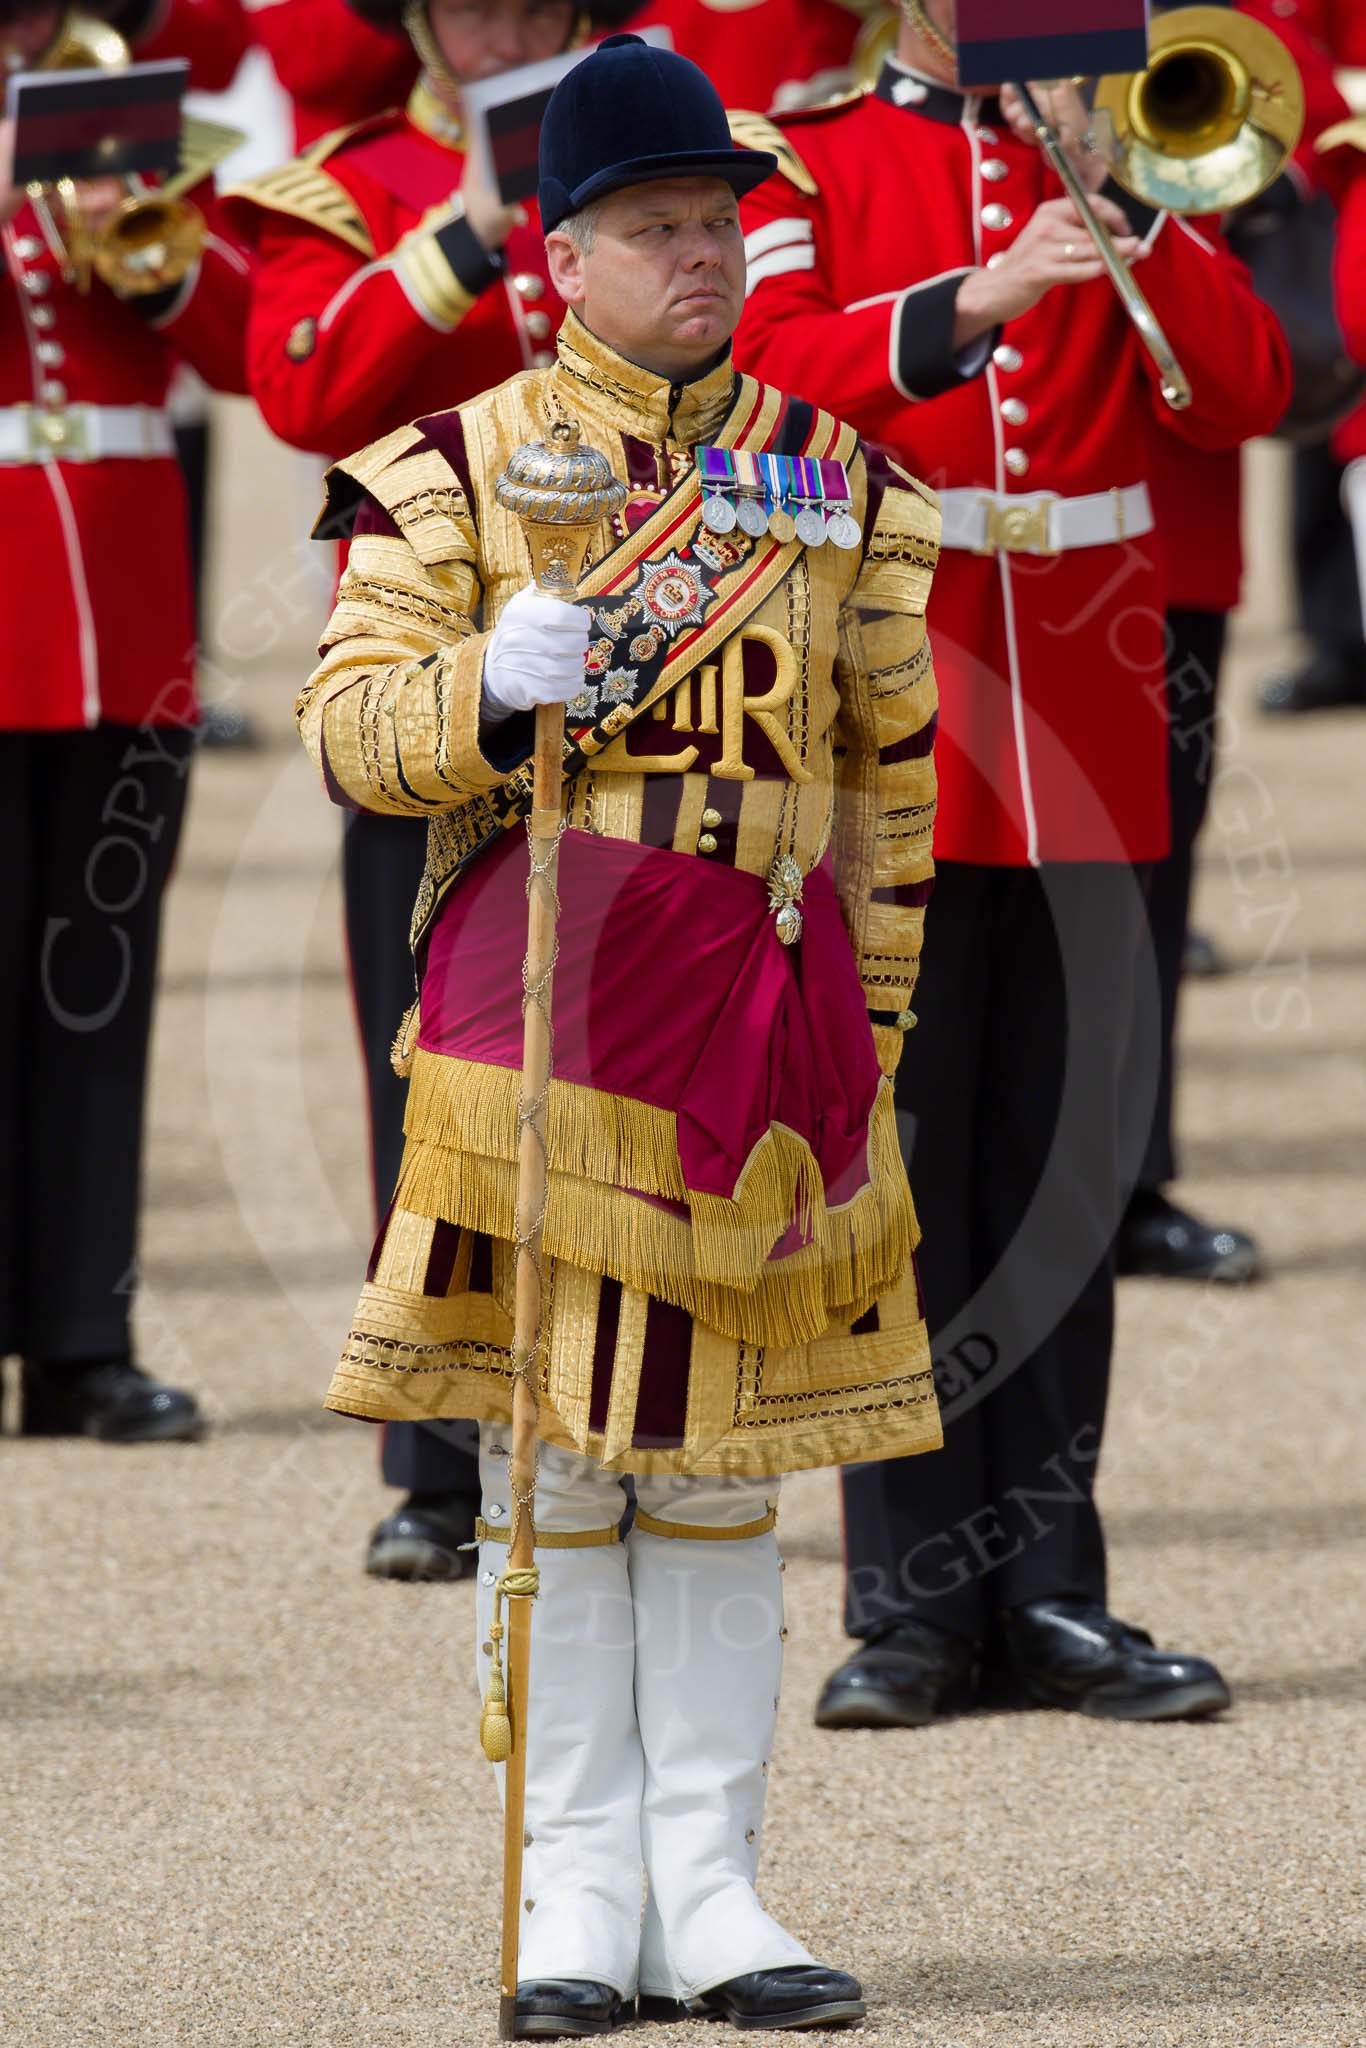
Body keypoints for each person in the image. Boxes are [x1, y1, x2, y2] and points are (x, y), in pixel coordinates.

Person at [299, 33, 942, 2032]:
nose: (703, 260)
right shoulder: (452, 469)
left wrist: (876, 1032)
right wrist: (486, 689)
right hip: (542, 1008)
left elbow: (887, 785)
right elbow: (351, 735)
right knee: (560, 1467)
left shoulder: (833, 483)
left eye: (717, 226)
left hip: (761, 1019)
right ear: (557, 260)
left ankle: (718, 1889)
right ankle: (575, 1894)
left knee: (726, 1472)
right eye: (654, 231)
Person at [735, 0, 1291, 1725]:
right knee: (894, 1179)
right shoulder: (807, 157)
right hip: (897, 718)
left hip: (1093, 728)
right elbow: (766, 373)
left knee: (1058, 1170)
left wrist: (1122, 197)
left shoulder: (1112, 155)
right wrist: (972, 303)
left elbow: (1245, 392)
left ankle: (1054, 1589)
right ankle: (910, 1601)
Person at [226, 0, 633, 1577]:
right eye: (471, 6)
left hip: (630, 662)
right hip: (432, 682)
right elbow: (306, 397)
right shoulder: (351, 181)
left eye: (534, 6)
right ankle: (437, 1457)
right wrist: (461, 241)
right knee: (430, 1071)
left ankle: (604, 1419)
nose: (502, 31)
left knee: (632, 1059)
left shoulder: (660, 158)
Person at [1, 0, 250, 1440]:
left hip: (127, 615)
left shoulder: (116, 132)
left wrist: (147, 240)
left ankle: (83, 1339)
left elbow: (237, 348)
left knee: (95, 986)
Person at [1118, 0, 1353, 1283]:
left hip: (1169, 520)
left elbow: (1300, 126)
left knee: (1155, 855)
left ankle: (1128, 1180)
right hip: (987, 541)